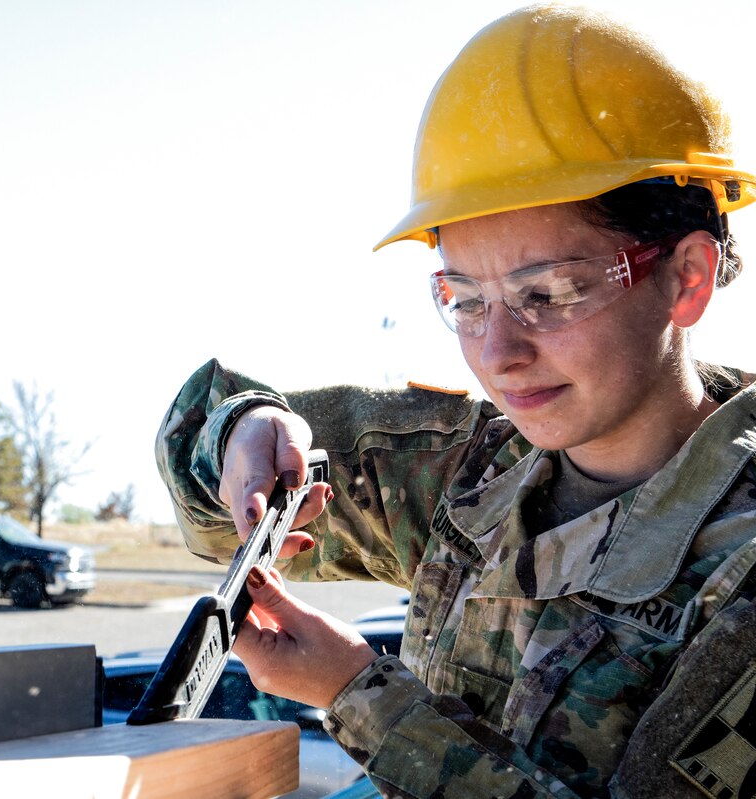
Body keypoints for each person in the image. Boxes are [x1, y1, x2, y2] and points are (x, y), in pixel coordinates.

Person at [154, 4, 756, 798]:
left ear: (686, 276)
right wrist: (244, 434)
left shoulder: (739, 570)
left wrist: (360, 693)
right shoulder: (473, 477)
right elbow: (206, 491)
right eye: (465, 298)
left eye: (549, 291)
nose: (499, 352)